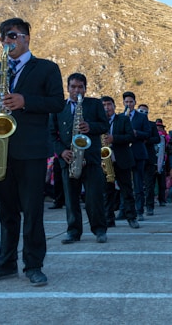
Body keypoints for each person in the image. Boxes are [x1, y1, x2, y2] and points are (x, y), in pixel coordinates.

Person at [0, 17, 65, 287]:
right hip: (1, 151)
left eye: (13, 35)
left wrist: (26, 101)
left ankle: (34, 265)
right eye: (4, 37)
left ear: (26, 37)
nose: (7, 41)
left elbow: (57, 103)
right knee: (7, 212)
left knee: (33, 211)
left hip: (32, 151)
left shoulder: (47, 68)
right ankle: (5, 264)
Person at [51, 73, 108, 245]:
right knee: (71, 199)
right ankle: (73, 231)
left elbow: (104, 125)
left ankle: (99, 230)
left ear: (85, 88)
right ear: (67, 88)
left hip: (90, 159)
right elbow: (51, 134)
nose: (76, 90)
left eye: (80, 87)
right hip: (68, 159)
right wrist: (62, 152)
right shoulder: (58, 107)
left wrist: (90, 127)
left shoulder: (94, 104)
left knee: (94, 198)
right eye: (73, 87)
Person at [101, 96, 140, 229]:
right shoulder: (99, 122)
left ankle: (131, 218)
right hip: (106, 160)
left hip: (121, 159)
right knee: (107, 191)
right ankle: (109, 219)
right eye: (104, 105)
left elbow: (130, 137)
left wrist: (113, 138)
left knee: (127, 190)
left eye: (109, 105)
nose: (107, 108)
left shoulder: (123, 119)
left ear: (114, 106)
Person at [122, 91, 152, 220]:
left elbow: (147, 133)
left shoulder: (141, 117)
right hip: (124, 153)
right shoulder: (120, 117)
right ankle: (124, 210)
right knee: (123, 183)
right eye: (126, 102)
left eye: (131, 102)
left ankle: (139, 211)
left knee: (138, 183)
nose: (128, 104)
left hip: (138, 153)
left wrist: (136, 133)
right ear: (123, 103)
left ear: (135, 102)